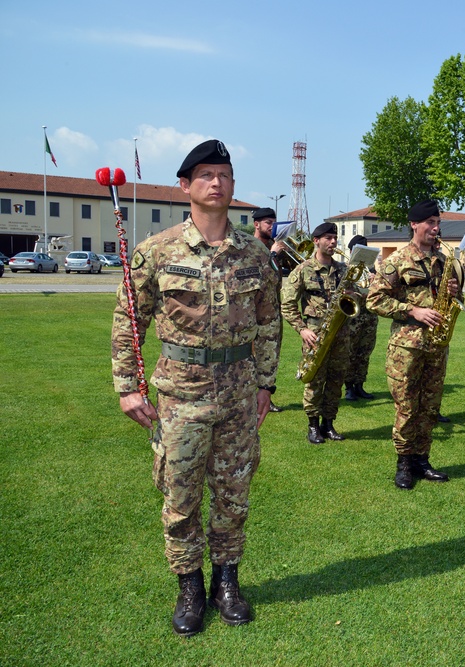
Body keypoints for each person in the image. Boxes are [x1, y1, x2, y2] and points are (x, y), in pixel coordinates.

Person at [112, 139, 280, 636]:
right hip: (181, 395)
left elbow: (269, 323)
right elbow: (129, 319)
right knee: (180, 495)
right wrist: (127, 386)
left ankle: (227, 581)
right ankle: (190, 586)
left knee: (233, 494)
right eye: (205, 174)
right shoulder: (156, 251)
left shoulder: (254, 253)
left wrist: (266, 383)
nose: (216, 182)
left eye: (224, 174)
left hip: (239, 393)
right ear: (185, 186)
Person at [366, 200, 462, 490]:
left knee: (430, 406)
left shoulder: (444, 260)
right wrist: (412, 310)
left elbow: (454, 302)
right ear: (414, 224)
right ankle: (404, 463)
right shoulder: (397, 260)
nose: (435, 228)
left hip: (436, 344)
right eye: (430, 222)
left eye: (438, 223)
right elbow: (374, 300)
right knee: (407, 406)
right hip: (406, 348)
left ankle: (422, 459)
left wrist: (455, 294)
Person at [280, 222, 351, 444]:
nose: (333, 242)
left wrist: (354, 294)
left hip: (341, 333)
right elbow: (287, 304)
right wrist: (302, 329)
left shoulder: (343, 269)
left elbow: (359, 298)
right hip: (315, 335)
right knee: (314, 381)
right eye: (328, 238)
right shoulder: (302, 270)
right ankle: (313, 426)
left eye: (334, 238)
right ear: (316, 241)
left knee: (335, 380)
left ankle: (328, 424)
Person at [251, 207, 287, 413]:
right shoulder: (252, 248)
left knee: (271, 356)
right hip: (255, 314)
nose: (272, 227)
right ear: (257, 225)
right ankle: (251, 397)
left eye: (274, 223)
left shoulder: (275, 247)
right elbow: (262, 277)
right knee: (255, 356)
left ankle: (266, 396)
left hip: (274, 312)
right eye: (268, 223)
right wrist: (273, 255)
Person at [343, 234, 378, 401]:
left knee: (365, 352)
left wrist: (376, 281)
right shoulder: (345, 269)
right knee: (350, 353)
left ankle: (359, 385)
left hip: (369, 318)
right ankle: (348, 387)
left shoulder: (372, 271)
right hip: (352, 318)